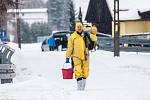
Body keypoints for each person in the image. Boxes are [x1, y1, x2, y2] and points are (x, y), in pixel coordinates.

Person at [65, 22, 97, 90]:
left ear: (82, 27)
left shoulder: (85, 34)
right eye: (78, 27)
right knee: (78, 70)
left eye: (80, 27)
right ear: (76, 28)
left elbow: (95, 39)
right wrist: (67, 57)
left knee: (85, 71)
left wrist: (89, 34)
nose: (79, 28)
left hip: (86, 55)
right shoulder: (72, 37)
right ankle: (80, 87)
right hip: (76, 56)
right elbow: (70, 48)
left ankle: (83, 87)